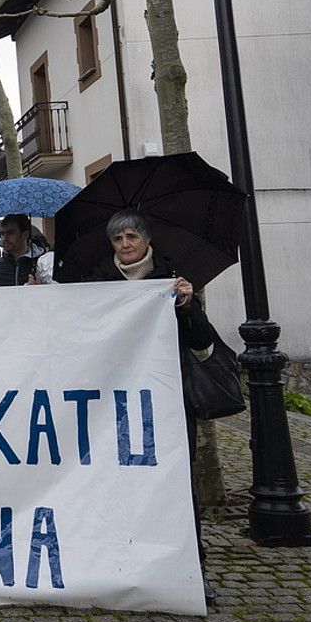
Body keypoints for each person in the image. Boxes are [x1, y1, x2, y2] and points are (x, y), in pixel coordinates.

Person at [85, 209, 216, 602]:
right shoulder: (98, 282)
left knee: (176, 484)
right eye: (118, 240)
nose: (125, 246)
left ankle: (193, 567)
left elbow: (202, 342)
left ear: (145, 240)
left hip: (168, 402)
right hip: (115, 404)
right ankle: (126, 561)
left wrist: (188, 304)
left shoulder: (172, 280)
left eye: (131, 237)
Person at [0, 214, 46, 289]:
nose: (5, 238)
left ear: (25, 234)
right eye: (2, 234)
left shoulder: (44, 266)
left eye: (10, 233)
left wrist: (39, 289)